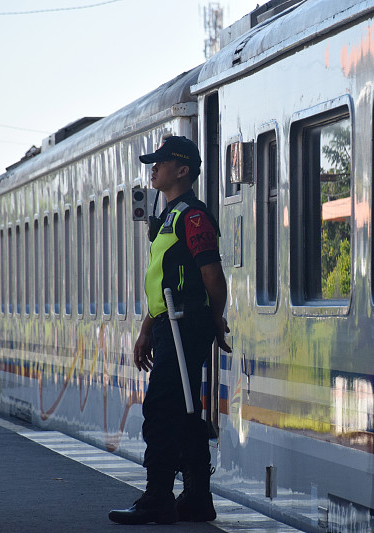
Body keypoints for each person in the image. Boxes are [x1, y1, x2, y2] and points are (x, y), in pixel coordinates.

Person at [109, 135, 231, 525]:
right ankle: (196, 497)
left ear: (183, 170)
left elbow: (212, 274)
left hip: (185, 325)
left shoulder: (192, 216)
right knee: (183, 410)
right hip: (169, 323)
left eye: (161, 162)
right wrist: (147, 328)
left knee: (161, 409)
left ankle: (158, 496)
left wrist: (215, 319)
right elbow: (163, 283)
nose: (153, 168)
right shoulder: (168, 218)